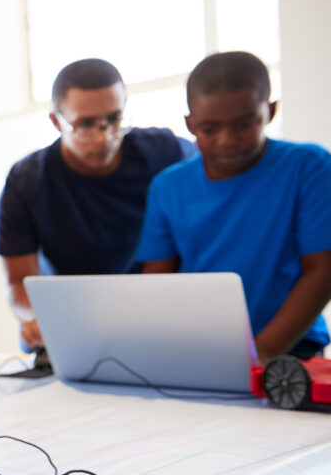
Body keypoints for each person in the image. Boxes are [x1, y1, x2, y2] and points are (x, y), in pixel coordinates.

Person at [137, 51, 331, 363]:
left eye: (244, 125)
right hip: (201, 350)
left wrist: (261, 352)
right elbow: (158, 281)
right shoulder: (166, 187)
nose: (227, 140)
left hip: (291, 346)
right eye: (210, 129)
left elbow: (323, 269)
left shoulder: (309, 166)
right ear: (190, 124)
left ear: (270, 111)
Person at [0, 58, 195, 350]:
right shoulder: (27, 179)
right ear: (56, 121)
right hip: (63, 327)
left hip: (150, 321)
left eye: (114, 119)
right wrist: (39, 319)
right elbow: (17, 284)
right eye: (86, 125)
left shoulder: (166, 153)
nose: (105, 138)